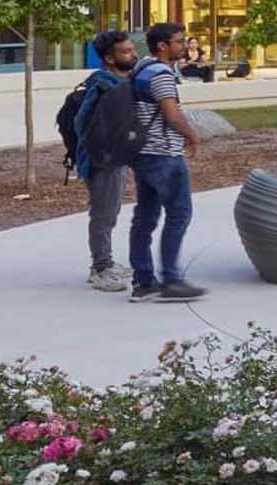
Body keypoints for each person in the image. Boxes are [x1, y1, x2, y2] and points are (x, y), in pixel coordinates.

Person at [129, 23, 207, 302]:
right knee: (179, 214)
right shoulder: (161, 75)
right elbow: (171, 114)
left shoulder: (141, 69)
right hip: (164, 155)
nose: (183, 45)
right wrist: (192, 135)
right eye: (178, 41)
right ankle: (172, 280)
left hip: (143, 154)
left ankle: (143, 282)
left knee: (145, 218)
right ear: (162, 46)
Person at [70, 29, 140, 291]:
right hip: (102, 160)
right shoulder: (101, 84)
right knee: (103, 214)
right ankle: (100, 268)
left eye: (132, 49)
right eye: (126, 51)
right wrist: (101, 150)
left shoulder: (124, 81)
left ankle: (106, 263)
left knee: (111, 212)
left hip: (117, 157)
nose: (133, 54)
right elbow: (81, 122)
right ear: (110, 58)